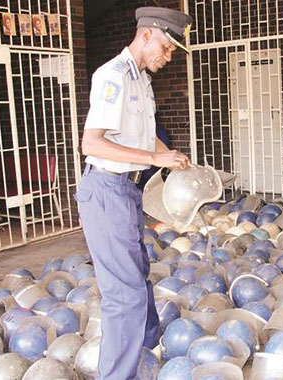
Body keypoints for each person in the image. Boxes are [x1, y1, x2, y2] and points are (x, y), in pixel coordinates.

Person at [74, 7, 192, 380]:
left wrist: (168, 158)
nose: (168, 55)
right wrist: (155, 156)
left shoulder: (141, 79)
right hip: (106, 189)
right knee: (124, 297)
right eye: (166, 46)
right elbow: (92, 143)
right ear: (146, 35)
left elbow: (143, 135)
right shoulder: (112, 76)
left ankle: (145, 351)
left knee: (138, 275)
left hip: (127, 191)